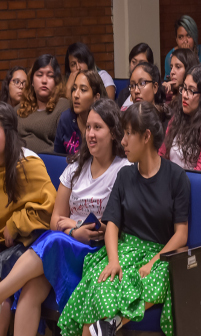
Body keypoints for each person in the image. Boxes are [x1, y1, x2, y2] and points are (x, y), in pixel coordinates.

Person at [59, 101, 190, 336]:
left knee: (161, 275)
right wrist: (113, 260)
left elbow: (181, 234)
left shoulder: (176, 177)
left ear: (146, 136)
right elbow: (112, 225)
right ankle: (105, 326)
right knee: (100, 287)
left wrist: (153, 261)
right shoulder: (125, 175)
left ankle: (112, 323)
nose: (123, 141)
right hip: (125, 249)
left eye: (129, 134)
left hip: (161, 253)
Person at [0, 99, 129, 336]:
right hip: (66, 243)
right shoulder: (76, 166)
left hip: (98, 251)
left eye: (98, 127)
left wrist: (73, 225)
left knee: (54, 240)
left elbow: (115, 224)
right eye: (88, 127)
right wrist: (73, 230)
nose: (90, 134)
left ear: (113, 133)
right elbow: (55, 220)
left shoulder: (123, 169)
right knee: (31, 288)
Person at [0, 102, 56, 336]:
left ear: (8, 131)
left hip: (25, 244)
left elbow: (49, 207)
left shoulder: (27, 162)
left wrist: (15, 224)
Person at [17, 55, 69, 153]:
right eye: (39, 75)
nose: (44, 81)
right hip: (17, 159)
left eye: (50, 76)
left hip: (46, 160)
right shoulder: (19, 109)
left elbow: (63, 147)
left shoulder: (63, 107)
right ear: (32, 81)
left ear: (56, 81)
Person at [54, 70, 107, 155]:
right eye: (74, 89)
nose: (76, 95)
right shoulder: (66, 118)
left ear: (96, 97)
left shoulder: (106, 122)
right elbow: (57, 157)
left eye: (83, 90)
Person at [126, 62, 169, 130]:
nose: (136, 91)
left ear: (155, 87)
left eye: (142, 83)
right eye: (132, 85)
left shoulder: (168, 122)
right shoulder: (127, 120)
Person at [163, 15, 201, 80]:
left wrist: (189, 55)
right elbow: (171, 82)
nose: (185, 41)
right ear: (176, 39)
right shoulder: (170, 57)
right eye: (180, 37)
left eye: (189, 36)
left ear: (194, 36)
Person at [117, 43, 154, 109]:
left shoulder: (155, 91)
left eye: (141, 63)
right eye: (134, 62)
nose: (136, 66)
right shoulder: (123, 93)